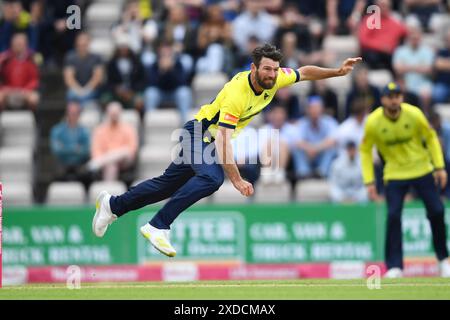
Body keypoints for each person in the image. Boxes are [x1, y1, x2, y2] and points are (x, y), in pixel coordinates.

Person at [92, 43, 362, 258]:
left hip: (206, 140)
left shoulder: (276, 78)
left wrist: (336, 72)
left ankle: (112, 205)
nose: (272, 74)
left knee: (165, 186)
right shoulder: (237, 92)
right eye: (267, 69)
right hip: (198, 134)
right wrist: (237, 179)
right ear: (253, 68)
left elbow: (304, 72)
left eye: (275, 70)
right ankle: (158, 225)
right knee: (212, 178)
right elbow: (222, 141)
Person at [360, 82, 450, 278]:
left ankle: (443, 260)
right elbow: (365, 151)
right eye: (390, 96)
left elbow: (432, 137)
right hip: (394, 174)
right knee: (393, 217)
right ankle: (394, 267)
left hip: (422, 169)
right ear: (383, 99)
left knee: (437, 211)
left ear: (401, 98)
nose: (394, 100)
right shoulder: (373, 122)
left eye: (397, 96)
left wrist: (440, 167)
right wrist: (369, 181)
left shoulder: (414, 114)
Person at [144, 41, 193, 124]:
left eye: (168, 52)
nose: (166, 55)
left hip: (174, 93)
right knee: (150, 93)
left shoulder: (178, 64)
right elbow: (151, 83)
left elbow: (182, 82)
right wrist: (162, 71)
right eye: (163, 52)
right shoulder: (154, 65)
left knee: (184, 92)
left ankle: (186, 126)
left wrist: (171, 70)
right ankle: (150, 124)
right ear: (159, 52)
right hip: (160, 93)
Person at [88, 102, 138, 181]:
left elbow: (132, 149)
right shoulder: (100, 130)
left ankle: (100, 162)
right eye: (112, 114)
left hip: (125, 160)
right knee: (111, 165)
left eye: (116, 113)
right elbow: (95, 150)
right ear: (107, 114)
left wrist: (108, 156)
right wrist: (111, 157)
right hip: (107, 162)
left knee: (125, 151)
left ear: (120, 113)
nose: (114, 116)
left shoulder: (128, 128)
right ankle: (110, 190)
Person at [292, 96, 339, 178]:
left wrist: (315, 149)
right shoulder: (301, 123)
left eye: (317, 108)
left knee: (332, 148)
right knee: (296, 149)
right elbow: (298, 142)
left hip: (321, 155)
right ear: (307, 110)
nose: (314, 110)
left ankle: (322, 172)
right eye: (312, 108)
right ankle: (303, 173)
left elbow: (332, 140)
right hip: (307, 156)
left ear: (322, 109)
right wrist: (310, 149)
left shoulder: (330, 122)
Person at [50, 102, 91, 190]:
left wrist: (65, 148)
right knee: (56, 172)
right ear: (66, 113)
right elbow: (57, 150)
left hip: (80, 164)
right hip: (62, 163)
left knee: (88, 173)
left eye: (75, 113)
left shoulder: (84, 131)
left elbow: (86, 151)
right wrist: (75, 148)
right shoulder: (57, 130)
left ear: (79, 115)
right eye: (71, 113)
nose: (73, 115)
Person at [0, 32, 39, 112]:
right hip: (8, 91)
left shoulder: (31, 59)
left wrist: (25, 90)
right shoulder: (5, 59)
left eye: (20, 44)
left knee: (34, 98)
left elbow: (34, 80)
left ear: (25, 45)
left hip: (25, 91)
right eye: (15, 44)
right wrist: (5, 89)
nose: (17, 46)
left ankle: (34, 121)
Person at [63, 32, 104, 106]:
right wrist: (79, 91)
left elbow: (97, 77)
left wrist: (86, 90)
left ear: (89, 43)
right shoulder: (70, 57)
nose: (82, 45)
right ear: (76, 43)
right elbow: (69, 78)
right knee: (72, 95)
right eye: (80, 43)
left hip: (92, 90)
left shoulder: (96, 58)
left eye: (84, 43)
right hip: (75, 90)